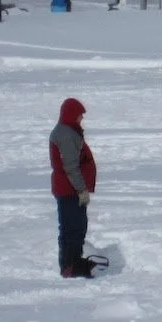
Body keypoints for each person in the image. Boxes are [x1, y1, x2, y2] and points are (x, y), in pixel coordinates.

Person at [50, 97, 97, 278]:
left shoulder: (69, 131)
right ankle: (70, 266)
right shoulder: (66, 134)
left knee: (77, 226)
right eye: (79, 116)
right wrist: (81, 190)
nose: (81, 119)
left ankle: (74, 262)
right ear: (71, 115)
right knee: (72, 228)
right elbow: (70, 167)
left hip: (70, 189)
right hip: (69, 190)